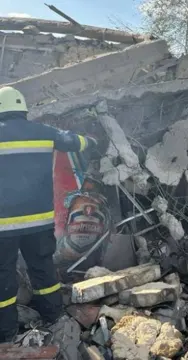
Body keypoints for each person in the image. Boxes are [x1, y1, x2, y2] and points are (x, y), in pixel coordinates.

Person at [0, 86, 97, 342]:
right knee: (42, 268)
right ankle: (54, 317)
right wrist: (94, 140)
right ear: (23, 110)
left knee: (3, 274)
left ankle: (5, 332)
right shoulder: (44, 133)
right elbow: (76, 142)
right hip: (39, 222)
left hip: (3, 227)